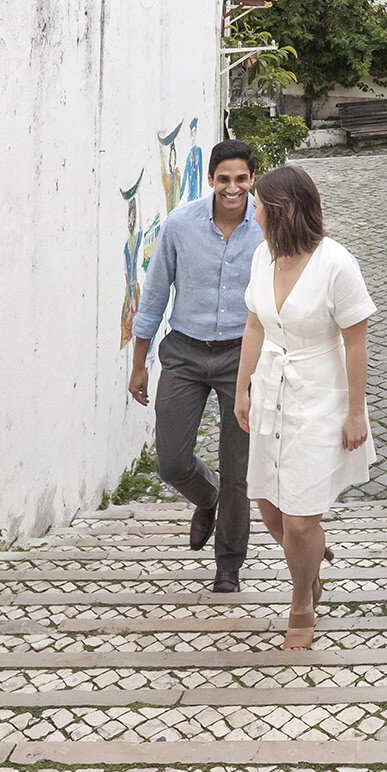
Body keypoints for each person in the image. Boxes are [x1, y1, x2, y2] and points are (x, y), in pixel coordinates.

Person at [234, 165, 374, 648]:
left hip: (321, 395)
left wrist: (356, 412)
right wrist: (241, 389)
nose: (250, 210)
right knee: (271, 511)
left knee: (299, 518)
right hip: (271, 390)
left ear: (281, 210)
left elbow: (356, 344)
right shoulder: (261, 258)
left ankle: (301, 602)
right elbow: (255, 327)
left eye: (258, 203)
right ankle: (311, 563)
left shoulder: (336, 263)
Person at [128, 139, 261, 594]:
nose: (232, 188)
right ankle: (208, 495)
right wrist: (139, 363)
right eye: (223, 179)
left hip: (242, 358)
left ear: (252, 179)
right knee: (171, 460)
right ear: (210, 180)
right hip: (184, 351)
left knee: (239, 470)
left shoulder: (267, 227)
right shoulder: (180, 225)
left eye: (241, 179)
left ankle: (228, 567)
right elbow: (154, 297)